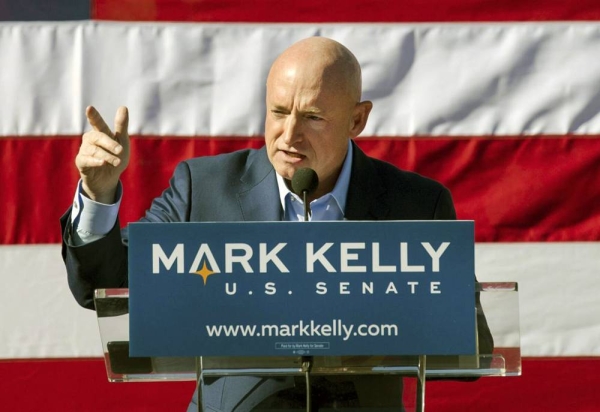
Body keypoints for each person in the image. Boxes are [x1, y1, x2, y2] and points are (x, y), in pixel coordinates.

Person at [61, 36, 492, 411]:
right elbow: (107, 286)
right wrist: (98, 195)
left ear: (357, 120)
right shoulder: (204, 187)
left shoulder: (415, 202)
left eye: (313, 117)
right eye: (279, 111)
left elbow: (471, 349)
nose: (289, 135)